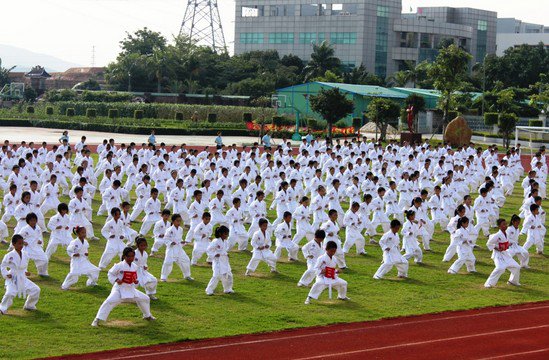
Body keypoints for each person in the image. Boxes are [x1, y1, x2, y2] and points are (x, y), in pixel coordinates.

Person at [92, 247, 155, 327]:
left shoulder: (134, 266)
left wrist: (135, 281)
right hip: (119, 289)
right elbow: (110, 274)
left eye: (132, 256)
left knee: (145, 298)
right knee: (109, 301)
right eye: (129, 256)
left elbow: (135, 277)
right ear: (124, 256)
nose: (131, 258)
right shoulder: (119, 265)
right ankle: (97, 319)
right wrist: (116, 279)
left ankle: (147, 316)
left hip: (131, 289)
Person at [1, 234, 41, 314]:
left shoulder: (25, 254)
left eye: (22, 243)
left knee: (36, 290)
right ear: (13, 244)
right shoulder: (9, 255)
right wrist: (6, 274)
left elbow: (23, 266)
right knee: (9, 293)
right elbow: (3, 266)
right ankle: (2, 308)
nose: (21, 245)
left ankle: (29, 305)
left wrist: (26, 271)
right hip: (13, 278)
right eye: (19, 243)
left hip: (22, 277)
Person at [304, 240, 350, 305]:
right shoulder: (321, 258)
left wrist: (337, 271)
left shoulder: (334, 258)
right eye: (331, 251)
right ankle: (309, 298)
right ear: (326, 249)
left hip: (331, 276)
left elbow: (332, 269)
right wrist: (321, 271)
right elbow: (315, 268)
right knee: (319, 283)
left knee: (344, 283)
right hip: (322, 277)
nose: (333, 253)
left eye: (334, 251)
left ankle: (342, 296)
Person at [484, 219, 521, 288]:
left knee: (517, 267)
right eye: (503, 224)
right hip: (498, 255)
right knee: (500, 268)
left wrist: (508, 244)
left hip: (505, 254)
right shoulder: (497, 235)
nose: (505, 226)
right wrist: (497, 248)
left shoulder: (506, 234)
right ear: (499, 226)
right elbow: (489, 243)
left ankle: (513, 281)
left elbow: (506, 242)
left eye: (506, 224)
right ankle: (488, 283)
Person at [160, 214, 193, 282]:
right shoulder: (169, 230)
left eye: (180, 221)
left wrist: (182, 242)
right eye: (177, 221)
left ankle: (187, 275)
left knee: (186, 260)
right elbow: (165, 239)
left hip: (179, 248)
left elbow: (179, 239)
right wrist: (170, 243)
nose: (179, 222)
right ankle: (163, 277)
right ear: (173, 221)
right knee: (168, 262)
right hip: (171, 249)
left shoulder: (180, 229)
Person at [205, 226, 234, 295]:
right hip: (217, 261)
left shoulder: (225, 242)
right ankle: (209, 290)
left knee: (229, 275)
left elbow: (223, 250)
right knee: (217, 275)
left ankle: (227, 289)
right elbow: (208, 250)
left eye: (227, 234)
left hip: (224, 260)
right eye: (225, 234)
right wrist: (215, 254)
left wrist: (226, 254)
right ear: (220, 234)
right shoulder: (215, 241)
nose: (227, 235)